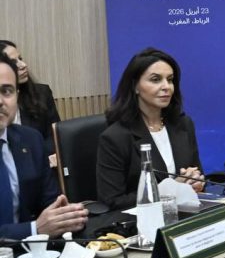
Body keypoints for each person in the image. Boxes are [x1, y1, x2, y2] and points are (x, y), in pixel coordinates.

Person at [96, 48, 204, 211]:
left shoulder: (183, 125)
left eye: (170, 80)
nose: (166, 87)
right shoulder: (116, 137)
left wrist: (196, 181)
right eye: (155, 80)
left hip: (185, 214)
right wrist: (169, 190)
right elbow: (112, 201)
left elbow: (198, 174)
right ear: (135, 86)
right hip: (142, 221)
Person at [0, 52, 87, 239]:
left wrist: (66, 217)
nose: (0, 101)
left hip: (34, 252)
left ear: (17, 96)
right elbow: (38, 227)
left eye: (6, 91)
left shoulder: (30, 140)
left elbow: (49, 203)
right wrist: (34, 229)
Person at [0, 40, 61, 165]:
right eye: (14, 62)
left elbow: (55, 135)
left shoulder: (42, 93)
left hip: (41, 163)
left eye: (20, 58)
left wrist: (36, 157)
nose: (23, 65)